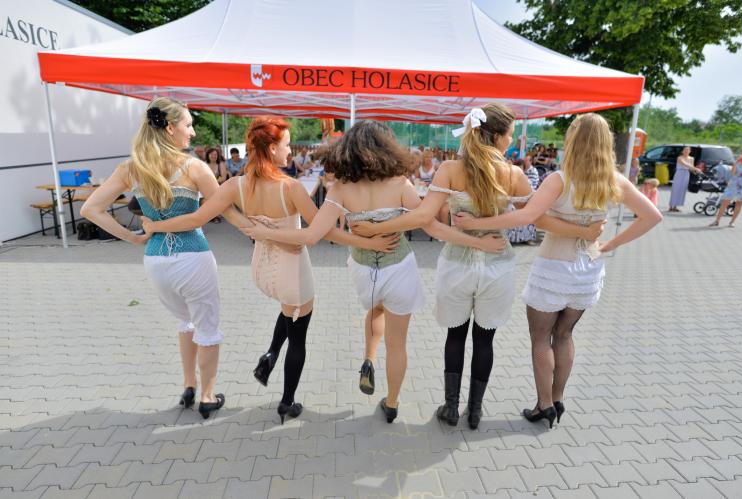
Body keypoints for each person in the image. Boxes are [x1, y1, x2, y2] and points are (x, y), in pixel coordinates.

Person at [349, 106, 604, 430]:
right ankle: (475, 411)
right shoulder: (513, 174)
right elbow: (537, 217)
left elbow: (423, 216)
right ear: (496, 136)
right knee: (485, 340)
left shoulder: (450, 169)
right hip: (498, 265)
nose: (511, 141)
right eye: (510, 135)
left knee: (455, 335)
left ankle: (451, 407)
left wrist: (373, 228)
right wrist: (583, 229)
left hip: (457, 263)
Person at [242, 120, 509, 424]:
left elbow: (314, 235)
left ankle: (368, 358)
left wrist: (264, 233)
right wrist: (479, 242)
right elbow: (432, 227)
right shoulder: (400, 184)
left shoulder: (341, 188)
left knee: (375, 309)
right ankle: (392, 403)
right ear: (388, 148)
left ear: (349, 150)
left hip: (363, 269)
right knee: (397, 344)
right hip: (400, 267)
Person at [142, 116, 396, 424]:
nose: (290, 151)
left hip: (262, 268)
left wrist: (156, 227)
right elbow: (323, 231)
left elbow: (197, 218)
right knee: (299, 335)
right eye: (287, 145)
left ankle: (271, 353)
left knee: (288, 310)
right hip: (293, 268)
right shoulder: (290, 187)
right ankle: (287, 402)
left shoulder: (234, 185)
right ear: (272, 148)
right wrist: (367, 242)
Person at [452, 113, 662, 428]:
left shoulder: (559, 180)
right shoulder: (614, 181)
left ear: (573, 140)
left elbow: (528, 218)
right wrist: (608, 245)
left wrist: (475, 224)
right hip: (589, 267)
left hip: (553, 267)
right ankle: (558, 398)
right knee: (564, 335)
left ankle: (544, 404)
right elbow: (653, 216)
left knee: (541, 338)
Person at [81, 97, 250, 419]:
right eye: (188, 125)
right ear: (170, 128)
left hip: (156, 261)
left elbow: (90, 209)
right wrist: (255, 230)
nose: (193, 132)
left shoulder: (132, 167)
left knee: (186, 321)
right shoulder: (194, 167)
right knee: (207, 328)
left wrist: (134, 237)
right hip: (193, 257)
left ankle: (188, 386)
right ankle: (208, 396)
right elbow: (225, 209)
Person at [710, 150, 742, 228]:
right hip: (734, 184)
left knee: (739, 204)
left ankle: (732, 222)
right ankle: (717, 221)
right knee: (725, 202)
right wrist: (736, 162)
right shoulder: (738, 162)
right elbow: (733, 173)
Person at [507, 160, 540, 244]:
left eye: (521, 168)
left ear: (524, 169)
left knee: (526, 211)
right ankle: (511, 238)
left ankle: (528, 238)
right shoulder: (509, 178)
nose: (519, 169)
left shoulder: (527, 178)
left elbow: (532, 190)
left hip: (525, 201)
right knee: (510, 209)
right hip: (511, 201)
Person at [668, 146, 700, 212]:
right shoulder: (679, 158)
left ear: (690, 151)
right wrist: (696, 168)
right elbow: (685, 164)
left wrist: (695, 171)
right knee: (676, 189)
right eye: (685, 150)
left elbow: (691, 167)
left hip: (686, 174)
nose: (686, 151)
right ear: (682, 151)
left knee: (682, 190)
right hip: (679, 173)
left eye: (688, 150)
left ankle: (675, 206)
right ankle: (671, 206)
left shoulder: (691, 158)